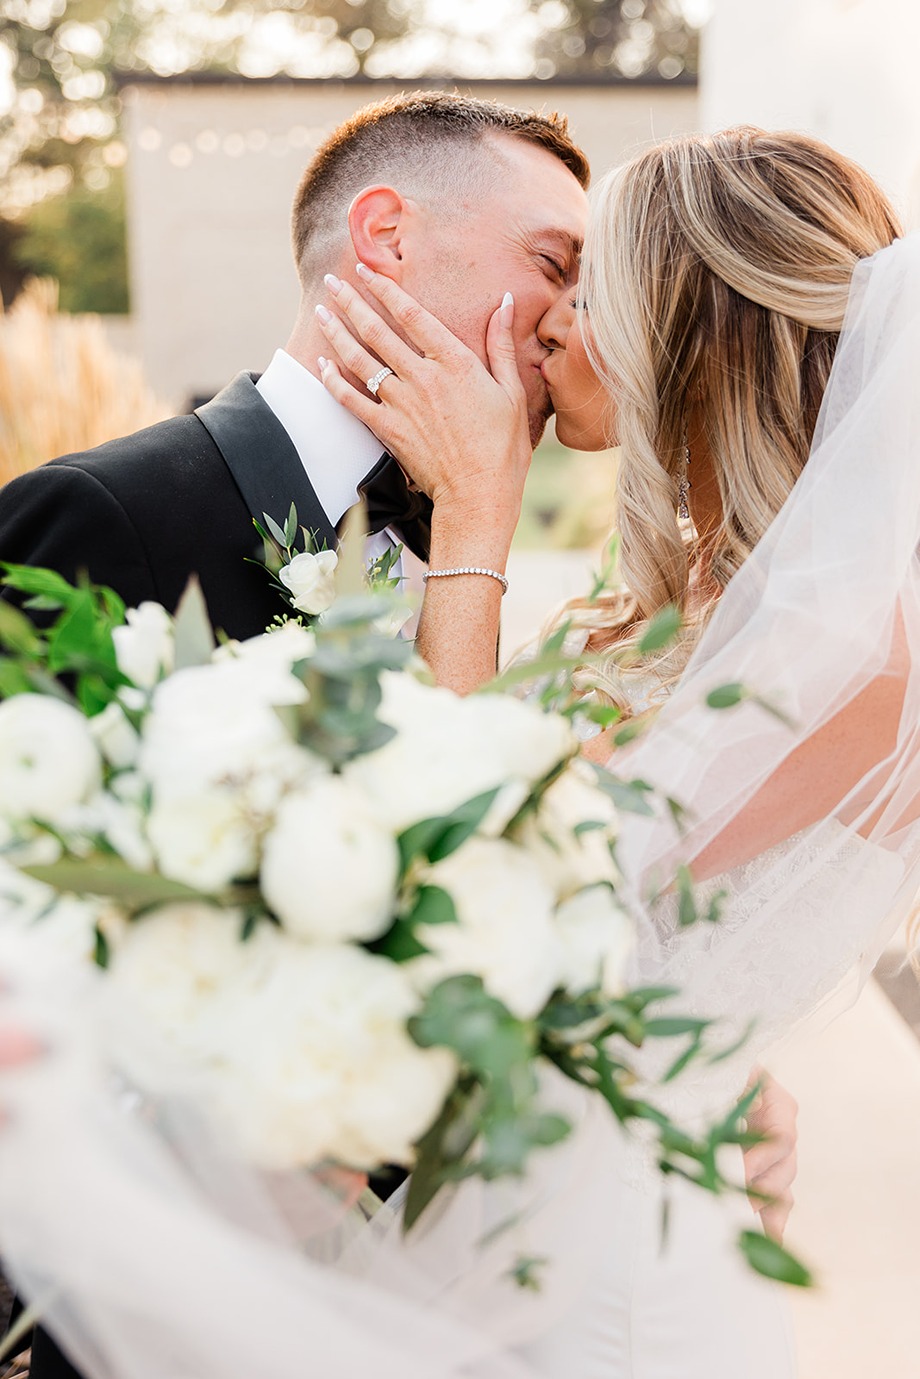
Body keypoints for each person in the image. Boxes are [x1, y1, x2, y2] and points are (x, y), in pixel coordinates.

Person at [0, 98, 797, 1377]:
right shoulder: (104, 513)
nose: (560, 319)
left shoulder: (445, 561)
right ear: (383, 237)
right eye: (551, 263)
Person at [313, 126, 920, 1376]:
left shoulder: (871, 645)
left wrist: (480, 510)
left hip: (604, 1263)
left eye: (589, 285)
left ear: (688, 327)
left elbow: (498, 880)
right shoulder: (711, 584)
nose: (548, 320)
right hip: (538, 1195)